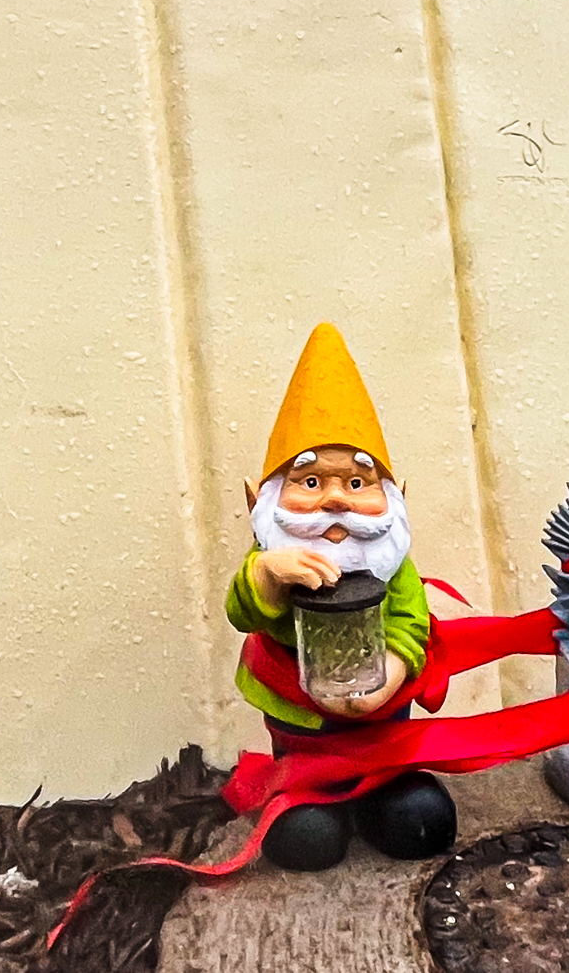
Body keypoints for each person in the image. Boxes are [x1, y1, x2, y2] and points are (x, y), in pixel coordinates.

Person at [224, 324, 457, 870]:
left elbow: (410, 623)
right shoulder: (272, 561)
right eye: (309, 483)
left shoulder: (390, 566)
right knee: (308, 837)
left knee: (418, 820)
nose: (334, 499)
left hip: (381, 731)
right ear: (261, 500)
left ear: (396, 499)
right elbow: (242, 610)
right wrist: (269, 573)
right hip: (303, 733)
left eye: (357, 484)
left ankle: (385, 797)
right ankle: (308, 802)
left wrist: (391, 675)